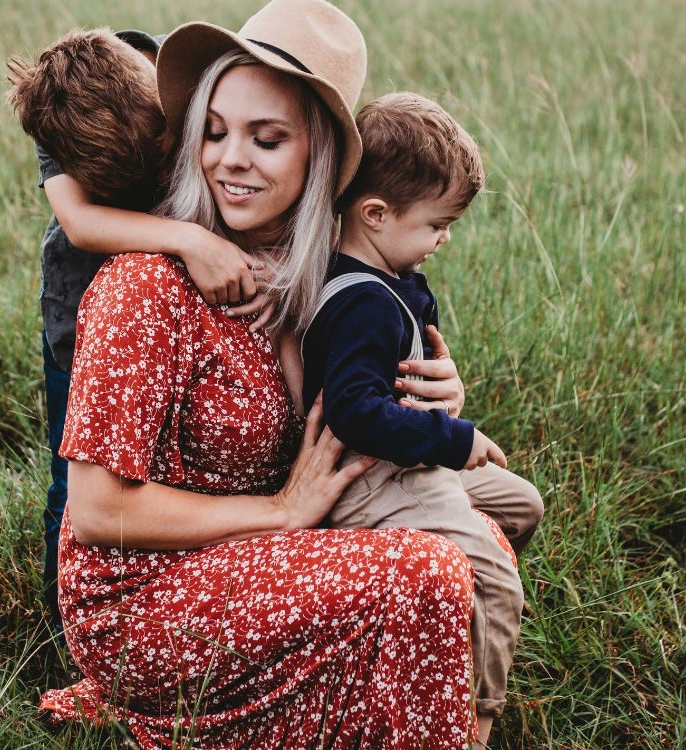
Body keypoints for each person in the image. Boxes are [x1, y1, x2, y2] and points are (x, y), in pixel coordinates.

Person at [37, 1, 491, 746]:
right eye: (213, 132)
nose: (229, 158)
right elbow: (97, 514)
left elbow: (362, 411)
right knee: (430, 574)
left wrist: (438, 399)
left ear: (320, 161)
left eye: (267, 138)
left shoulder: (321, 282)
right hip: (147, 601)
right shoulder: (144, 285)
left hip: (250, 561)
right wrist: (281, 511)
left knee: (479, 538)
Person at [6, 27, 265, 642]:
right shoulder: (60, 115)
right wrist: (187, 239)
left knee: (168, 457)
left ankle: (166, 581)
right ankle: (66, 623)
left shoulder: (153, 73)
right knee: (78, 475)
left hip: (172, 306)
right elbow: (79, 220)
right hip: (80, 307)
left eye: (169, 138)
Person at [301, 92, 543, 746]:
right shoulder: (361, 306)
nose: (446, 238)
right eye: (437, 224)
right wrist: (454, 439)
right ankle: (476, 721)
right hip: (372, 481)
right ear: (376, 215)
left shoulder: (391, 276)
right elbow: (353, 412)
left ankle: (446, 635)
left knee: (520, 505)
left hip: (405, 468)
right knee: (496, 579)